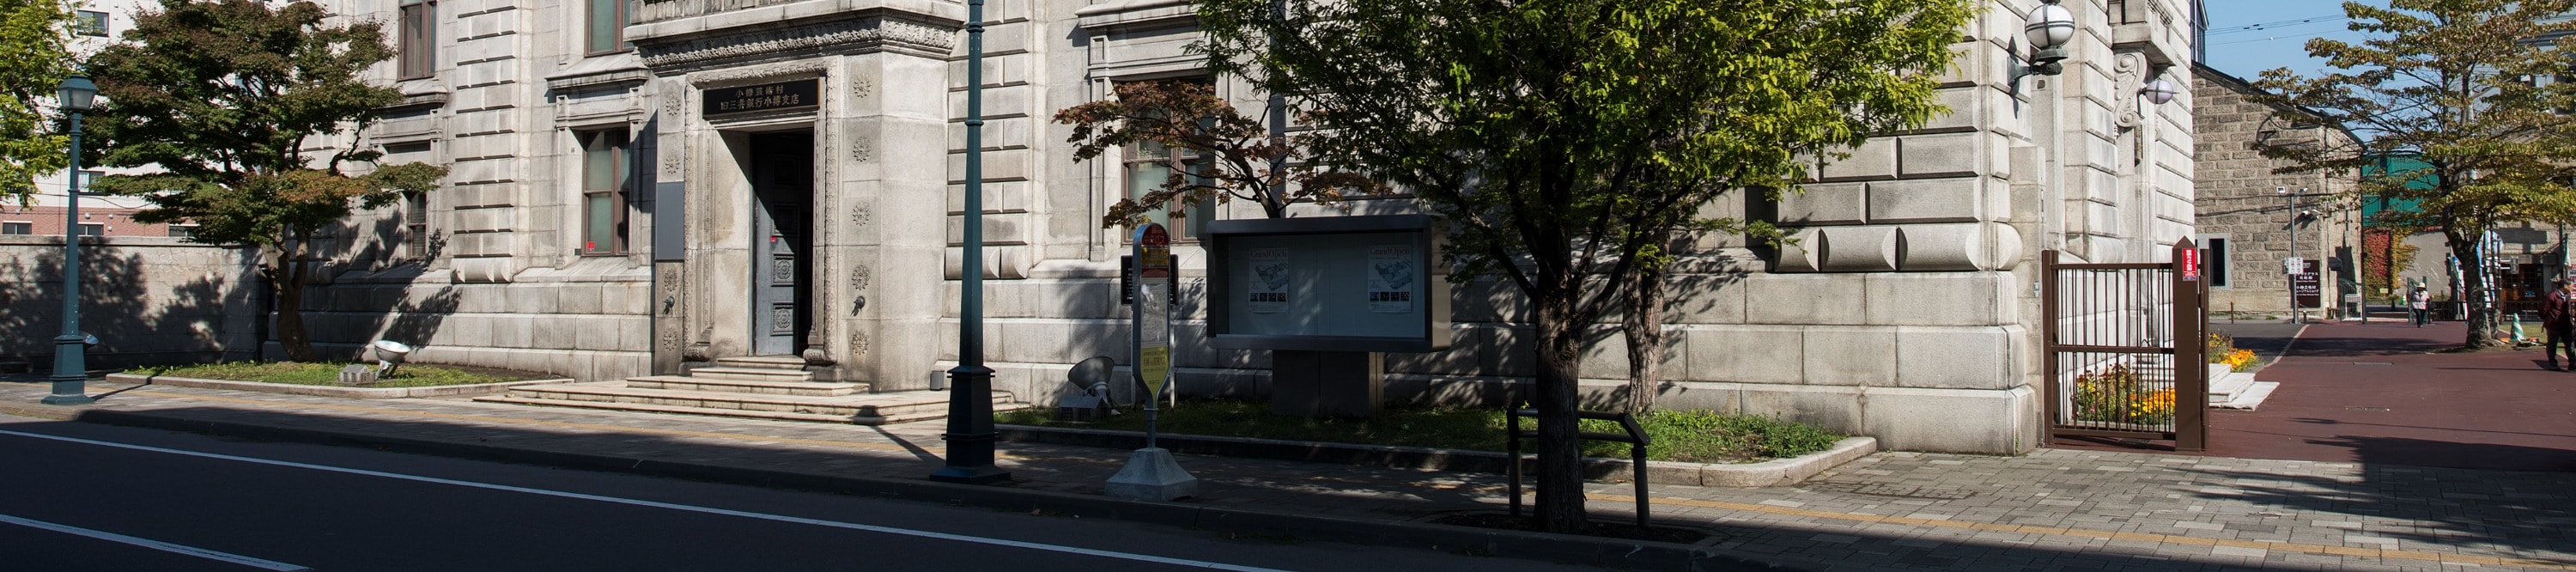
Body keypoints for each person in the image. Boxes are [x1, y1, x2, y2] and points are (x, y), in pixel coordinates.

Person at [2547, 279, 2576, 370]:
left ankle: (2573, 363)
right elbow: (2543, 310)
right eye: (2571, 285)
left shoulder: (2567, 296)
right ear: (2565, 286)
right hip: (2554, 324)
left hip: (2566, 324)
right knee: (2552, 343)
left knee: (2570, 343)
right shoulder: (2551, 296)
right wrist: (2551, 318)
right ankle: (2553, 364)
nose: (2573, 287)